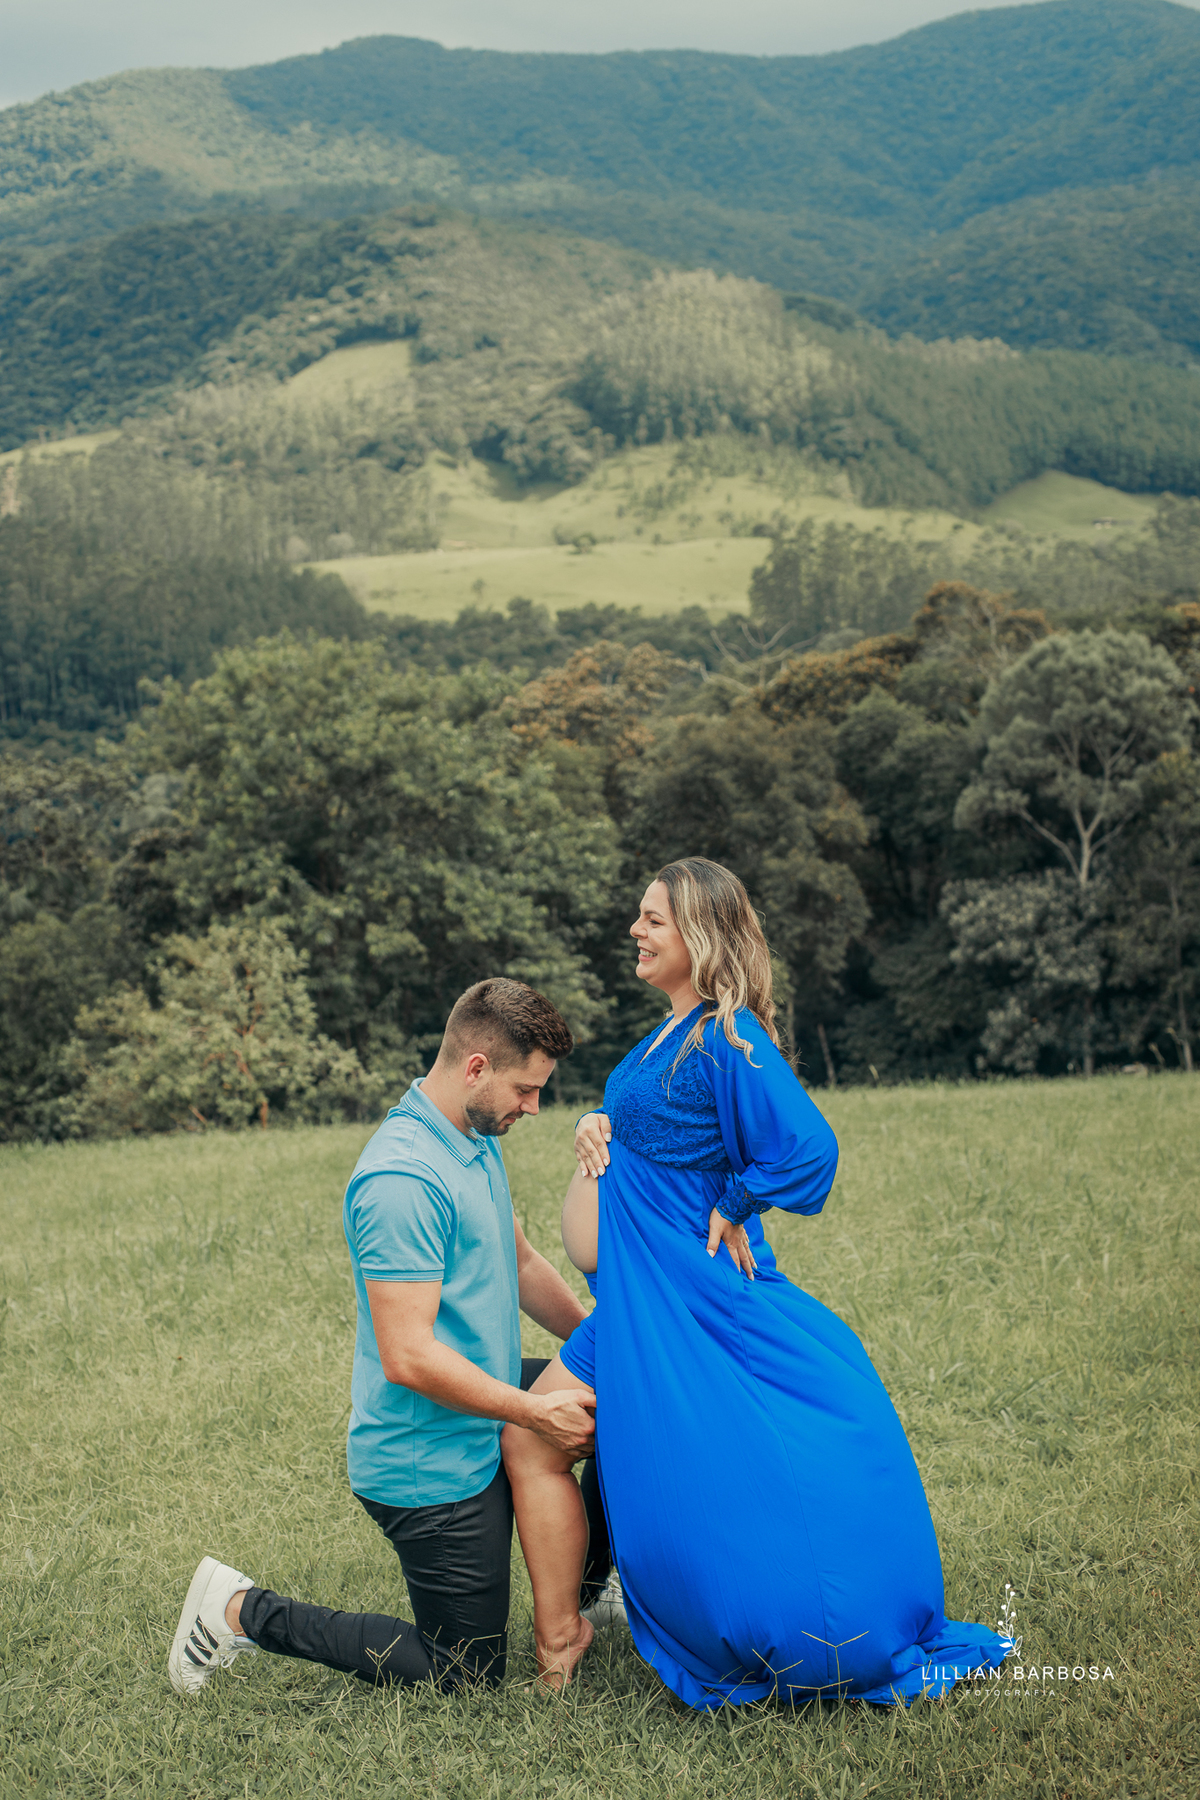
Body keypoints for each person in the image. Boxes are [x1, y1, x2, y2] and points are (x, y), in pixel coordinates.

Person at [502, 859, 1012, 1704]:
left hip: (695, 1300)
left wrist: (738, 1203)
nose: (635, 930)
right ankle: (562, 1644)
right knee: (529, 1437)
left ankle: (793, 1614)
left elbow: (809, 1149)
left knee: (727, 1460)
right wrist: (599, 1129)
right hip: (640, 1303)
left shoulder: (727, 1034)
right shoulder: (663, 1038)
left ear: (699, 933)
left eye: (652, 919)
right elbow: (641, 1164)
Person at [169, 978, 614, 1698]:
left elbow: (524, 1262)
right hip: (428, 1462)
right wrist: (534, 1413)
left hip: (483, 1403)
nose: (533, 1108)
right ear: (476, 1068)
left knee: (612, 1400)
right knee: (464, 1672)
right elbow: (407, 1358)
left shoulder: (471, 1136)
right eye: (525, 1090)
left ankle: (587, 1589)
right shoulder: (402, 1178)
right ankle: (237, 1611)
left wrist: (610, 1341)